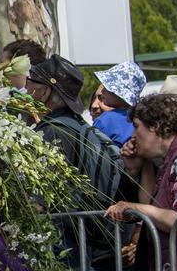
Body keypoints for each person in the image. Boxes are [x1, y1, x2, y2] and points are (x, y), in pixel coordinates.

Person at [29, 55, 125, 267]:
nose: (26, 87)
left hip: (59, 241)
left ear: (45, 91)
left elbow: (39, 197)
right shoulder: (74, 125)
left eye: (31, 82)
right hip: (77, 237)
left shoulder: (52, 131)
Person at [107, 93, 177, 267]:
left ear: (155, 126)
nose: (133, 135)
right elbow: (155, 208)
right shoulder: (168, 160)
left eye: (137, 126)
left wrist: (132, 207)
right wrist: (140, 166)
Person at [92, 61, 147, 146]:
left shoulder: (106, 120)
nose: (103, 91)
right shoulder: (143, 119)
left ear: (119, 94)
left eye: (108, 87)